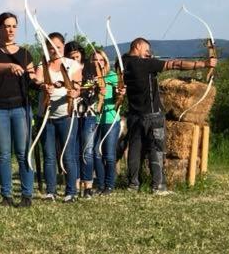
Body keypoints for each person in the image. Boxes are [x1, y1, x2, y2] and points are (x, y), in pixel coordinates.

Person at [123, 37, 216, 194]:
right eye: (146, 50)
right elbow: (176, 64)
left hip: (133, 116)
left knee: (134, 149)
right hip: (152, 115)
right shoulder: (147, 64)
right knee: (156, 149)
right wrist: (204, 64)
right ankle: (158, 186)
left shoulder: (123, 62)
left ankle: (133, 185)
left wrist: (146, 58)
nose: (149, 53)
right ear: (138, 46)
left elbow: (133, 61)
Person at [0, 12, 35, 207]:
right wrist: (9, 66)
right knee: (4, 154)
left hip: (21, 107)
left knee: (23, 153)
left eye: (14, 26)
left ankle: (27, 195)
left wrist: (42, 82)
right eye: (6, 26)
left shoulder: (25, 53)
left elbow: (32, 77)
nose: (10, 29)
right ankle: (6, 196)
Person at [32, 32, 82, 202]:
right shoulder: (43, 64)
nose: (55, 51)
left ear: (63, 46)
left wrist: (72, 93)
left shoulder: (72, 65)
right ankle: (50, 191)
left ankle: (71, 192)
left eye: (58, 47)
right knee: (49, 155)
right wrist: (44, 86)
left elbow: (76, 88)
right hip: (46, 116)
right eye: (51, 48)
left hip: (66, 116)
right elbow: (38, 79)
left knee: (68, 155)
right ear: (47, 49)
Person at [65, 40, 100, 198]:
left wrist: (80, 91)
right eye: (71, 55)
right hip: (71, 113)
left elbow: (94, 87)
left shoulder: (90, 67)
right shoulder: (65, 68)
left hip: (88, 112)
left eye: (76, 54)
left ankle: (88, 185)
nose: (74, 57)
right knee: (74, 149)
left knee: (87, 150)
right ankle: (76, 182)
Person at [92, 48, 122, 194]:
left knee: (109, 154)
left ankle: (109, 185)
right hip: (95, 119)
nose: (98, 63)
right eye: (95, 60)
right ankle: (101, 183)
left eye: (101, 60)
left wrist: (120, 94)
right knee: (95, 152)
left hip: (110, 119)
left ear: (105, 61)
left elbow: (119, 94)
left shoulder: (112, 76)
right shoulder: (91, 78)